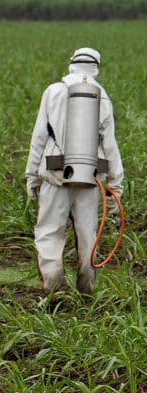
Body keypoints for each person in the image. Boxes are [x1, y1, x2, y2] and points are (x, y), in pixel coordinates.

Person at [25, 47, 123, 295]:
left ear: (71, 65)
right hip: (90, 178)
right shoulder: (102, 96)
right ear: (95, 68)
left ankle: (54, 288)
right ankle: (86, 291)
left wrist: (32, 177)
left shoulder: (53, 91)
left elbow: (39, 137)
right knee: (87, 236)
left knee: (49, 233)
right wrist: (115, 188)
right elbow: (110, 146)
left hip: (54, 175)